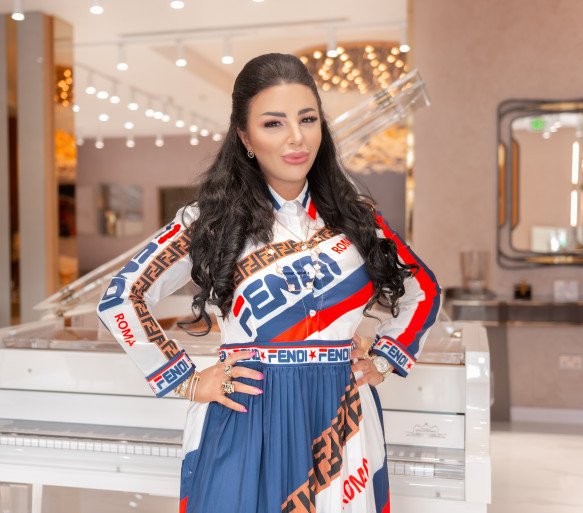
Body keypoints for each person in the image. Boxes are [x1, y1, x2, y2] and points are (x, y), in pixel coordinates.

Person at [97, 53, 440, 513]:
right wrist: (184, 380)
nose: (296, 138)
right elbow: (122, 296)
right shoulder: (208, 222)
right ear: (245, 137)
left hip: (343, 411)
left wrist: (386, 357)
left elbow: (425, 288)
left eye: (308, 119)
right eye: (274, 124)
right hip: (248, 410)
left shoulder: (357, 218)